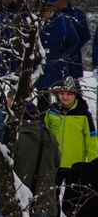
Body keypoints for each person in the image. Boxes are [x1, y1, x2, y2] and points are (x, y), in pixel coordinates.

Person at [44, 76, 98, 216]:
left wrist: (94, 162)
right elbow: (44, 133)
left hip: (74, 165)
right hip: (54, 163)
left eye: (69, 94)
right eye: (62, 93)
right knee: (51, 197)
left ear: (75, 95)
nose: (65, 97)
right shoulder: (51, 111)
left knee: (72, 199)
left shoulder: (83, 114)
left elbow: (91, 139)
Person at [7, 102, 60, 217]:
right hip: (46, 200)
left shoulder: (14, 137)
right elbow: (57, 163)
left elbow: (3, 170)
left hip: (21, 199)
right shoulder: (50, 136)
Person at [37, 0, 80, 104]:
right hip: (41, 61)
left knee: (61, 95)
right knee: (42, 95)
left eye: (50, 10)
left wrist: (64, 54)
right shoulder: (35, 22)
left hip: (58, 61)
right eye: (45, 10)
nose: (47, 12)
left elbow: (74, 40)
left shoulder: (63, 21)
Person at [55, 0, 91, 80]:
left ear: (62, 0)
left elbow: (85, 35)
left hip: (72, 57)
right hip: (55, 56)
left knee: (72, 87)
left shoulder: (77, 14)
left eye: (56, 0)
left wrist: (72, 46)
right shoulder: (52, 13)